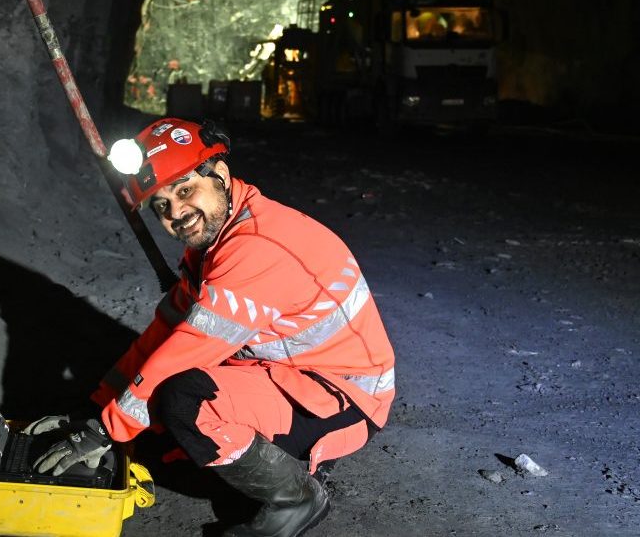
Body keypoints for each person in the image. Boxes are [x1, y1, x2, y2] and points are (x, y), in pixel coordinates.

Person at [28, 118, 396, 537]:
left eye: (185, 191)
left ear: (219, 174)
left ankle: (296, 499)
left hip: (344, 397)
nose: (176, 213)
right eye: (161, 205)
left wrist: (107, 430)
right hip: (286, 372)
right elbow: (163, 334)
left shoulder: (256, 247)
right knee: (154, 407)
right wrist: (99, 408)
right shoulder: (213, 244)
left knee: (186, 401)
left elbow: (189, 348)